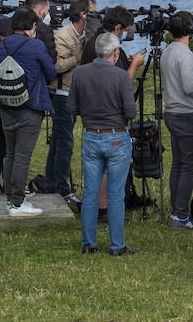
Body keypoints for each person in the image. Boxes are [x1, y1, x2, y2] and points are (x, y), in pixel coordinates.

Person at [70, 32, 139, 256]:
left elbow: (72, 107)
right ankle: (117, 245)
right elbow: (130, 112)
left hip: (91, 134)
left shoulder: (80, 73)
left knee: (90, 193)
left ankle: (88, 243)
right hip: (116, 135)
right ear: (115, 52)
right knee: (115, 194)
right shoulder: (121, 77)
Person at [0, 9, 56, 216]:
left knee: (10, 153)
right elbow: (50, 72)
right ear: (32, 27)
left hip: (5, 104)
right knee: (22, 156)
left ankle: (10, 196)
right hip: (30, 106)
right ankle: (17, 202)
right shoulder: (36, 45)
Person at [164, 11, 193, 228]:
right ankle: (180, 215)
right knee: (189, 167)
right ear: (191, 29)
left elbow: (190, 69)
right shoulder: (184, 54)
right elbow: (190, 84)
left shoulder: (170, 51)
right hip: (186, 115)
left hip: (172, 113)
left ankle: (176, 211)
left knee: (178, 164)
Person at [49, 0, 93, 199]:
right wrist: (77, 58)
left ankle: (52, 183)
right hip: (61, 94)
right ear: (82, 14)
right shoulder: (63, 36)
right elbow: (56, 66)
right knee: (65, 143)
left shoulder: (85, 35)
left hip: (74, 93)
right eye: (93, 13)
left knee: (59, 141)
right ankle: (61, 188)